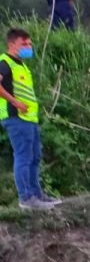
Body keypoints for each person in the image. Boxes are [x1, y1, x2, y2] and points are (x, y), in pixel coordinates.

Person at [0, 28, 61, 210]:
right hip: (16, 117)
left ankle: (36, 194)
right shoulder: (5, 63)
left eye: (29, 43)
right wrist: (16, 103)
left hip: (29, 118)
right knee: (24, 156)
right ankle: (26, 198)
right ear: (12, 45)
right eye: (24, 44)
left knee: (35, 156)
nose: (28, 47)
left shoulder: (22, 65)